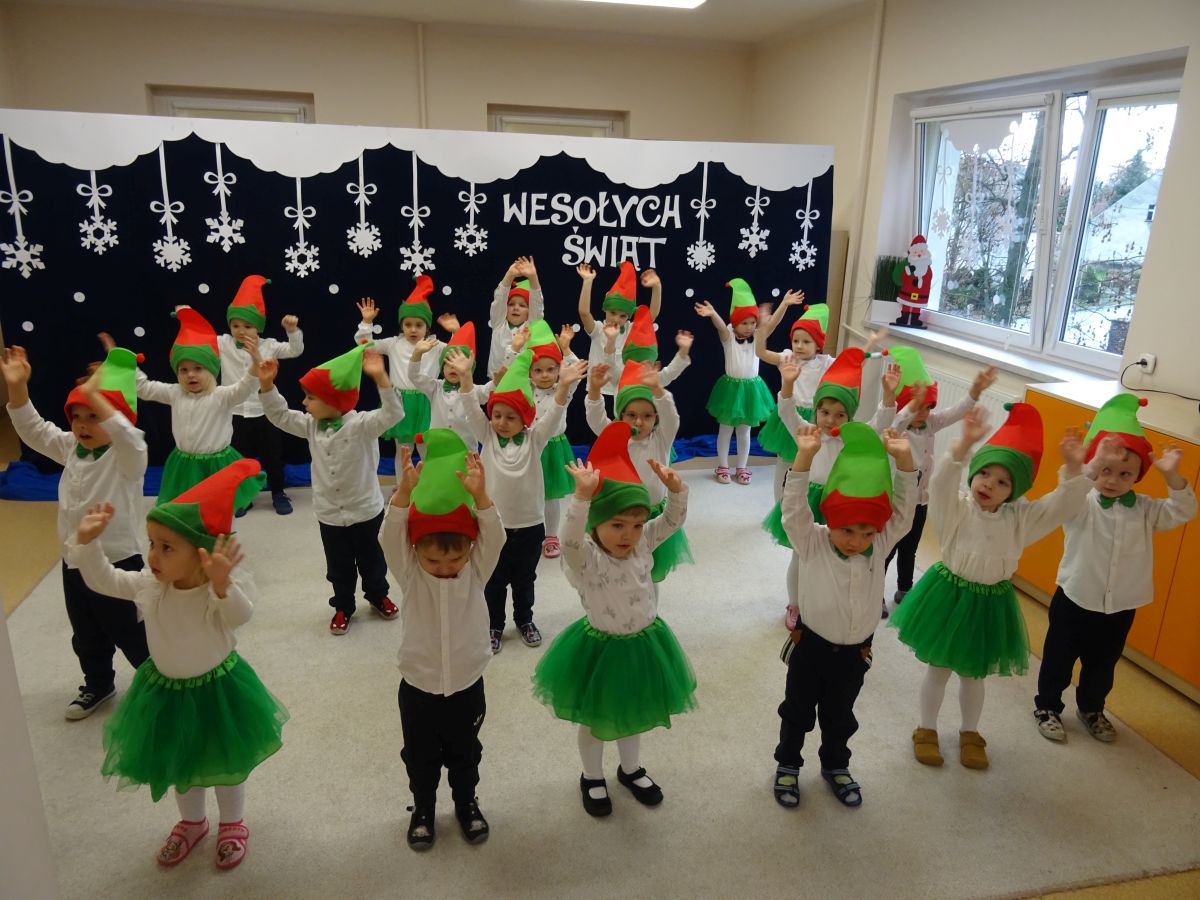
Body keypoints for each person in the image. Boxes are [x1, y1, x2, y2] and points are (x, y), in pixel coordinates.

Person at [66, 460, 288, 870]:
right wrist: (88, 545)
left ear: (202, 555)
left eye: (167, 547)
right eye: (152, 543)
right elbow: (104, 581)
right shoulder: (150, 585)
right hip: (166, 692)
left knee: (225, 764)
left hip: (218, 693)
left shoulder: (212, 593)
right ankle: (192, 822)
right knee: (180, 763)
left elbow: (241, 616)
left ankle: (233, 823)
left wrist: (222, 584)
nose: (152, 554)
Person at [889, 403, 1093, 770]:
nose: (989, 484)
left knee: (973, 675)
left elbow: (1059, 507)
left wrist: (1074, 470)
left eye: (1002, 482)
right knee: (938, 670)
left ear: (1014, 491)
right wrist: (962, 446)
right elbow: (940, 483)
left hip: (988, 604)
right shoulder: (957, 508)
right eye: (984, 473)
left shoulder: (1020, 519)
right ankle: (926, 728)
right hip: (948, 596)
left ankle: (970, 732)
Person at [531, 422, 695, 816]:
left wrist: (677, 492)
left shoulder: (644, 544)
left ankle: (630, 769)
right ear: (596, 524)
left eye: (636, 525)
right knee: (595, 720)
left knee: (633, 713)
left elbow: (671, 522)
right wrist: (581, 500)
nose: (629, 534)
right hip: (601, 652)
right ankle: (591, 776)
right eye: (617, 525)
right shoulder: (586, 558)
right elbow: (568, 540)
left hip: (644, 645)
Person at [1033, 394, 1196, 742]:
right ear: (1094, 467)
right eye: (1105, 470)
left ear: (1138, 476)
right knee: (1059, 658)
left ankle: (1092, 708)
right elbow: (1065, 492)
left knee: (1102, 665)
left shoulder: (1146, 509)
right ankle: (1047, 706)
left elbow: (1182, 511)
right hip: (1076, 597)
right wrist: (1087, 464)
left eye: (1124, 473)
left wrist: (1173, 477)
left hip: (1120, 605)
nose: (1112, 480)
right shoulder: (1081, 503)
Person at [2, 344, 150, 719]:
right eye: (77, 415)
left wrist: (100, 398)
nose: (82, 424)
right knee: (86, 633)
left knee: (133, 633)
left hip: (118, 562)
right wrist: (18, 388)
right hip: (74, 561)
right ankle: (98, 683)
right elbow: (34, 430)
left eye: (94, 415)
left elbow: (129, 437)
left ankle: (161, 685)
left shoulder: (127, 456)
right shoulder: (71, 447)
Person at [774, 423, 916, 809]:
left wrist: (905, 463)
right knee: (797, 712)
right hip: (811, 649)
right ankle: (788, 763)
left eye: (867, 533)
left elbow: (904, 514)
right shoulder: (813, 541)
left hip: (855, 654)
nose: (856, 541)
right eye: (848, 530)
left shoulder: (880, 543)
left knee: (841, 716)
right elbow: (793, 510)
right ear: (831, 521)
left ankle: (836, 764)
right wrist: (804, 458)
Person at [381, 435, 505, 850]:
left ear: (471, 549)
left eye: (455, 559)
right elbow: (389, 538)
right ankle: (423, 807)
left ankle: (466, 802)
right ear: (415, 551)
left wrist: (481, 499)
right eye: (433, 560)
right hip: (419, 687)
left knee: (466, 754)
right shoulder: (410, 573)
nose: (445, 568)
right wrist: (403, 495)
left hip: (467, 683)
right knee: (420, 758)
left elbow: (496, 537)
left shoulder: (477, 570)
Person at [448, 347, 587, 652]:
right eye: (497, 415)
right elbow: (471, 407)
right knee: (494, 581)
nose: (501, 422)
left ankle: (524, 620)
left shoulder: (536, 438)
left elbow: (554, 413)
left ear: (525, 419)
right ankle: (494, 625)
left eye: (510, 417)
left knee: (525, 580)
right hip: (493, 525)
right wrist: (466, 377)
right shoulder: (487, 436)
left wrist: (563, 386)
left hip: (530, 525)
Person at [258, 344, 403, 634]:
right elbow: (280, 416)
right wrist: (267, 385)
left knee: (373, 560)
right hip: (330, 515)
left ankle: (378, 595)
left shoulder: (362, 424)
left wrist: (381, 378)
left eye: (311, 397)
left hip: (366, 511)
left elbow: (394, 413)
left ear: (334, 400)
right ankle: (343, 606)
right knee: (339, 566)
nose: (304, 402)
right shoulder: (310, 425)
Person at [764, 346, 890, 630]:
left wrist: (889, 396)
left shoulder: (853, 437)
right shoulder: (807, 431)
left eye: (839, 415)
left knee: (835, 557)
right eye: (825, 412)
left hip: (839, 505)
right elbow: (786, 411)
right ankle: (795, 604)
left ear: (850, 417)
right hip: (809, 501)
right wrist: (788, 384)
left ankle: (826, 601)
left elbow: (880, 423)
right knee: (801, 555)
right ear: (816, 410)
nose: (830, 420)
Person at [880, 348, 998, 618]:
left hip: (920, 502)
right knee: (887, 549)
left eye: (927, 407)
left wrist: (975, 392)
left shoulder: (930, 424)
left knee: (910, 549)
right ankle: (876, 594)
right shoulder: (896, 429)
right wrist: (912, 405)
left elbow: (954, 413)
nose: (923, 413)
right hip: (897, 501)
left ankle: (905, 589)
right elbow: (898, 420)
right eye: (917, 407)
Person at [135, 307, 265, 510]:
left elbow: (244, 387)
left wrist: (255, 363)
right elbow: (145, 388)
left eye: (198, 368)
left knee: (216, 509)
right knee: (186, 509)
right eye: (184, 370)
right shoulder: (175, 392)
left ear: (211, 371)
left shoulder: (221, 396)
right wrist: (129, 367)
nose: (190, 375)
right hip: (184, 465)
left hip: (216, 465)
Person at [585, 360, 692, 583]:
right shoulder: (613, 435)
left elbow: (671, 417)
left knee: (650, 570)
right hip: (619, 514)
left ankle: (647, 601)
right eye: (631, 415)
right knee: (615, 565)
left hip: (652, 516)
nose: (639, 422)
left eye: (647, 416)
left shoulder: (661, 438)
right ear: (621, 415)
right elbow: (596, 418)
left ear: (656, 417)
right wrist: (594, 390)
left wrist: (658, 389)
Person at [218, 274, 304, 516]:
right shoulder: (223, 343)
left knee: (273, 455)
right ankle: (244, 495)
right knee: (240, 458)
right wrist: (186, 316)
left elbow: (296, 350)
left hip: (266, 411)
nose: (241, 331)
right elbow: (200, 340)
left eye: (248, 326)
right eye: (235, 325)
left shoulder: (269, 345)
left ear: (259, 327)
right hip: (235, 412)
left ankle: (278, 492)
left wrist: (292, 331)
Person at [354, 274, 457, 458]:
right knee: (403, 450)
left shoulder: (435, 346)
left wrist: (455, 332)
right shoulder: (394, 343)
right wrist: (367, 323)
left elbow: (458, 354)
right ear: (402, 326)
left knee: (427, 448)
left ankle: (428, 476)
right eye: (408, 324)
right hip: (400, 402)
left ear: (427, 327)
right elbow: (365, 346)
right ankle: (404, 477)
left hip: (428, 402)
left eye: (419, 325)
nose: (413, 329)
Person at [694, 278, 775, 485]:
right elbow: (722, 327)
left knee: (745, 431)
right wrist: (713, 314)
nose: (749, 327)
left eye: (752, 323)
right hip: (731, 390)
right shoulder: (729, 337)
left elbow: (771, 325)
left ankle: (742, 467)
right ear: (735, 322)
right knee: (725, 429)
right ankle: (722, 465)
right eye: (744, 323)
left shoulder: (758, 338)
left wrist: (781, 306)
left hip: (752, 391)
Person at [754, 294, 833, 503]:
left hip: (812, 420)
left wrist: (869, 348)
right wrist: (762, 329)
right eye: (796, 340)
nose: (799, 345)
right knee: (784, 465)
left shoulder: (825, 363)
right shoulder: (787, 357)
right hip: (789, 415)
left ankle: (801, 503)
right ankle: (779, 504)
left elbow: (850, 363)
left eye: (806, 341)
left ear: (818, 344)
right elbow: (760, 352)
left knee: (809, 463)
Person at [518, 320, 584, 559]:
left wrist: (565, 349)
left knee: (550, 497)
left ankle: (551, 536)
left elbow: (575, 372)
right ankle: (526, 531)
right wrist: (518, 348)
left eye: (550, 369)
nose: (545, 375)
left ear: (558, 370)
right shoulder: (525, 387)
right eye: (538, 370)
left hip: (553, 448)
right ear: (529, 372)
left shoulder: (563, 389)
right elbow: (509, 370)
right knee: (526, 493)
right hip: (528, 446)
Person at [576, 261, 662, 394]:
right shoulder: (598, 329)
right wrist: (587, 282)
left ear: (628, 316)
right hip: (597, 390)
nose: (616, 319)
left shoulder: (631, 329)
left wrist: (657, 286)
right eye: (613, 313)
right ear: (605, 309)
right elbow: (584, 313)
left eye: (623, 316)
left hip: (623, 391)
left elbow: (652, 316)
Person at [408, 321, 491, 451]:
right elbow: (414, 376)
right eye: (448, 362)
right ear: (442, 368)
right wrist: (417, 353)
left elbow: (490, 390)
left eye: (459, 363)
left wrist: (499, 378)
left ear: (469, 368)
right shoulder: (435, 388)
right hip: (437, 450)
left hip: (467, 451)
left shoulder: (474, 391)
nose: (453, 367)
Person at [487, 256, 545, 378]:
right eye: (511, 304)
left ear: (529, 311)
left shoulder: (532, 327)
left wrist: (533, 277)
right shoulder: (498, 324)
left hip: (523, 381)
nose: (516, 308)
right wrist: (510, 274)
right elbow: (500, 298)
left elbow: (537, 303)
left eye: (522, 305)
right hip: (496, 382)